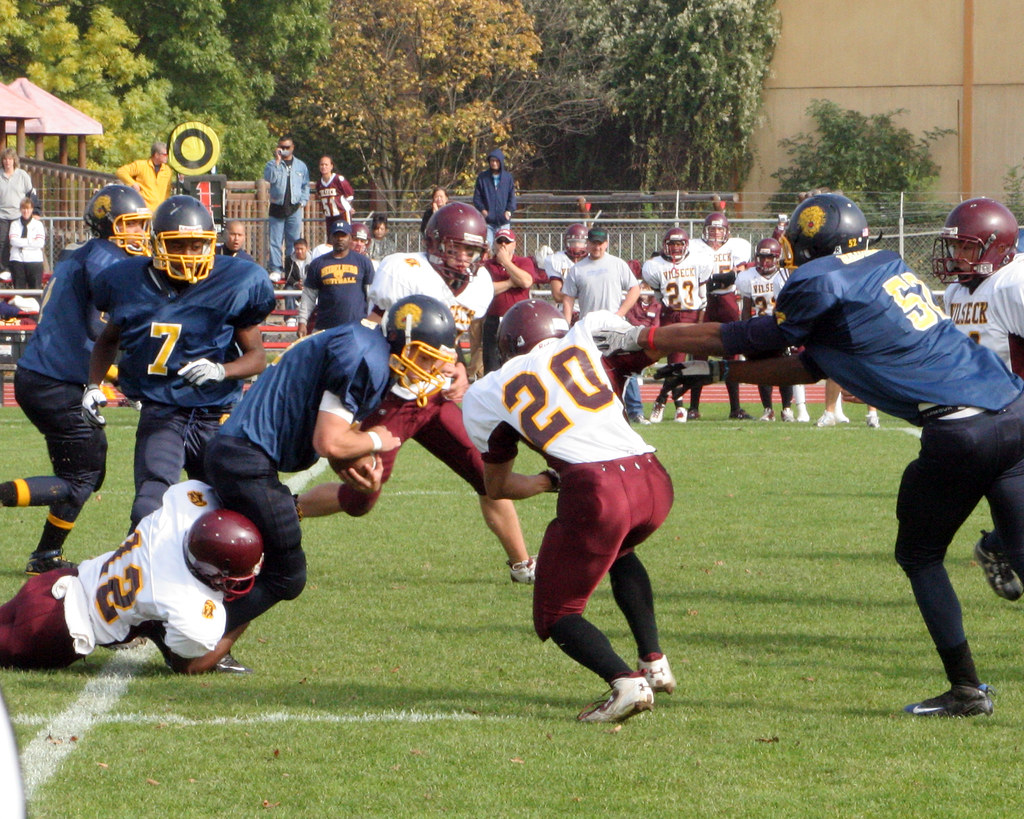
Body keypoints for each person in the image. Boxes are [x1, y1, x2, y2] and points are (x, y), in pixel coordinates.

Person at [595, 192, 1024, 718]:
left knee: (919, 555)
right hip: (1014, 412)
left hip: (958, 431)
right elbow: (811, 365)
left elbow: (743, 334)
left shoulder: (820, 281)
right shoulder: (881, 266)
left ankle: (966, 689)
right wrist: (719, 375)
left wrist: (643, 336)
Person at [203, 296, 451, 669]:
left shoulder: (365, 343)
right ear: (404, 341)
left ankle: (203, 643)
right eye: (426, 356)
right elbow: (330, 441)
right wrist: (379, 440)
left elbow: (333, 435)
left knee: (242, 560)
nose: (430, 368)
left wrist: (358, 464)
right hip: (245, 460)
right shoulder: (365, 356)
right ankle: (197, 640)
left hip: (242, 455)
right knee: (287, 574)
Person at [298, 203, 535, 583]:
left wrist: (457, 367)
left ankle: (522, 564)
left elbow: (448, 339)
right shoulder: (404, 270)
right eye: (456, 248)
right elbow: (370, 332)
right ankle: (287, 510)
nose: (464, 259)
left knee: (488, 474)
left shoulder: (480, 285)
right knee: (362, 498)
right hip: (392, 397)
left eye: (472, 251)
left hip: (435, 398)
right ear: (435, 243)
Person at [463, 300, 674, 722]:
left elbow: (498, 486)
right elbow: (646, 348)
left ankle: (625, 683)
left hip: (599, 491)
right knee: (622, 553)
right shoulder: (587, 348)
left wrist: (546, 481)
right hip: (653, 479)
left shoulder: (490, 389)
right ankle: (654, 661)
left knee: (557, 613)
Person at [85, 195, 275, 530]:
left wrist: (222, 370)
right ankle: (139, 570)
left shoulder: (235, 280)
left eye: (196, 245)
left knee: (236, 505)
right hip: (161, 410)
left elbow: (257, 357)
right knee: (149, 502)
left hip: (217, 415)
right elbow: (107, 339)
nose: (188, 255)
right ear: (157, 244)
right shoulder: (128, 280)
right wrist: (92, 385)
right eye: (179, 245)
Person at [0, 185, 150, 574]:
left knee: (87, 473)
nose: (139, 232)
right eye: (132, 224)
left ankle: (46, 555)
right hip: (56, 382)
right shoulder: (107, 260)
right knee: (83, 477)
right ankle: (44, 555)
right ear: (108, 224)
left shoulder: (82, 253)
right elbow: (97, 326)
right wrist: (126, 371)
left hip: (47, 376)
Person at [0, 480, 264, 674]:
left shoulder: (181, 508)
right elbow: (189, 666)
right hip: (53, 629)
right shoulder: (187, 602)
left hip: (54, 583)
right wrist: (252, 610)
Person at [934, 197, 1024, 604]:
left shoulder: (1013, 283)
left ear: (998, 247)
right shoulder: (956, 291)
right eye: (956, 247)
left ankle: (996, 545)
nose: (958, 257)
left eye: (969, 247)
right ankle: (1000, 545)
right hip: (991, 424)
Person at [642, 227, 714, 423]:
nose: (675, 248)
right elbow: (658, 297)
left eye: (679, 244)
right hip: (670, 314)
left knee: (680, 363)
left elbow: (702, 296)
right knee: (674, 363)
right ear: (665, 246)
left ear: (686, 245)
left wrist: (699, 319)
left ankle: (663, 400)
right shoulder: (655, 266)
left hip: (691, 314)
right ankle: (678, 407)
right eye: (672, 244)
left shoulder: (698, 261)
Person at [688, 211, 753, 420]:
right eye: (712, 229)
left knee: (732, 354)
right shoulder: (695, 247)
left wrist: (722, 277)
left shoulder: (737, 246)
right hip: (706, 301)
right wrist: (721, 277)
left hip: (728, 301)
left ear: (727, 231)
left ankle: (735, 408)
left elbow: (741, 270)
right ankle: (693, 408)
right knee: (698, 354)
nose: (716, 233)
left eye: (719, 229)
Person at [736, 237, 795, 421]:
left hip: (779, 326)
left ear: (777, 258)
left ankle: (786, 408)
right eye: (761, 258)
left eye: (769, 258)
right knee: (763, 369)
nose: (765, 262)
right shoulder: (748, 277)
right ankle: (768, 409)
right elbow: (746, 308)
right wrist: (744, 331)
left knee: (784, 369)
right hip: (759, 326)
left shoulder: (784, 275)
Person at [480, 227, 545, 373]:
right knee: (492, 365)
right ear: (494, 244)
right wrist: (510, 283)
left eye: (507, 242)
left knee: (519, 364)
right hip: (494, 320)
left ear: (514, 244)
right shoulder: (487, 266)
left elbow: (526, 281)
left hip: (519, 319)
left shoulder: (524, 262)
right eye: (500, 241)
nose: (503, 244)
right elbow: (486, 289)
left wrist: (506, 263)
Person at [296, 220, 375, 338]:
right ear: (331, 238)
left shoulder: (363, 262)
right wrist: (302, 321)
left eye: (343, 235)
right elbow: (308, 296)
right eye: (336, 235)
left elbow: (371, 295)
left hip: (356, 328)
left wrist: (371, 323)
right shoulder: (318, 263)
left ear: (350, 238)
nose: (340, 239)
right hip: (325, 327)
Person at [562, 227, 639, 325]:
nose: (597, 247)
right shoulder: (576, 269)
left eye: (600, 244)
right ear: (587, 243)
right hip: (587, 326)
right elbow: (568, 299)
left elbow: (635, 289)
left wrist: (619, 314)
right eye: (594, 243)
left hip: (614, 325)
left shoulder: (618, 264)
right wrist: (566, 326)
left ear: (606, 243)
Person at [263, 135, 310, 280]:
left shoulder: (301, 166)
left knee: (293, 240)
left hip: (294, 207)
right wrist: (277, 162)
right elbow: (270, 178)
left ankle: (291, 268)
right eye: (281, 147)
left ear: (292, 148)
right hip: (277, 206)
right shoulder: (272, 164)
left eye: (287, 147)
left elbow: (305, 185)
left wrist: (303, 201)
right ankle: (276, 269)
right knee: (275, 241)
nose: (284, 150)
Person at [623, 279, 660, 424]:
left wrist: (646, 334)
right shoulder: (633, 303)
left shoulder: (656, 305)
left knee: (630, 373)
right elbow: (631, 318)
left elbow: (656, 323)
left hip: (648, 339)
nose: (643, 290)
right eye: (642, 286)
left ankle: (635, 411)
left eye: (646, 286)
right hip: (633, 338)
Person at [0, 148, 36, 276]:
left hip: (19, 215)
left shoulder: (22, 175)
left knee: (20, 242)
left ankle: (20, 269)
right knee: (2, 242)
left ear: (14, 160)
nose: (7, 162)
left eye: (10, 159)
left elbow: (32, 194)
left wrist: (35, 211)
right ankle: (4, 270)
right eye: (5, 159)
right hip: (2, 215)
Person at [472, 148, 516, 244]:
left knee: (503, 250)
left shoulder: (507, 178)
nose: (494, 163)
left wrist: (508, 212)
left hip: (503, 222)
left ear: (501, 162)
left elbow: (512, 197)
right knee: (487, 249)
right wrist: (483, 211)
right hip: (488, 222)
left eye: (496, 161)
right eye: (492, 160)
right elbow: (477, 198)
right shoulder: (482, 178)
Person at [115, 141, 174, 212]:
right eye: (165, 154)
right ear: (156, 155)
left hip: (159, 211)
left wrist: (165, 207)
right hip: (143, 208)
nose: (167, 157)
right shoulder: (141, 165)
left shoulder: (167, 170)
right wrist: (132, 183)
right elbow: (121, 171)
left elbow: (167, 191)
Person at [543, 223, 588, 313]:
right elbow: (558, 296)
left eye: (580, 243)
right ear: (566, 242)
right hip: (567, 309)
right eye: (573, 242)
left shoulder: (593, 260)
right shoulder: (556, 260)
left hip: (591, 310)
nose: (577, 246)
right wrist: (586, 294)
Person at [7, 197, 44, 291]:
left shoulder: (38, 224)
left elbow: (40, 243)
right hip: (17, 260)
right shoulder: (15, 224)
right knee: (19, 291)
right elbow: (13, 241)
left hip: (34, 261)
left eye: (28, 208)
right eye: (23, 208)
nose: (26, 211)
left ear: (32, 209)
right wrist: (30, 241)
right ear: (20, 209)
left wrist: (22, 242)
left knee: (35, 291)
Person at [315, 155, 355, 235]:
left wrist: (348, 207)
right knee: (331, 240)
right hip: (329, 216)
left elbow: (350, 195)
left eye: (326, 165)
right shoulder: (319, 183)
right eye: (321, 165)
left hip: (341, 214)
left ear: (331, 166)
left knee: (345, 236)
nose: (324, 167)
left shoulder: (338, 179)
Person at [281, 236, 310, 314]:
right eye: (297, 249)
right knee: (288, 291)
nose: (299, 251)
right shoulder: (289, 260)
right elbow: (288, 276)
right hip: (294, 285)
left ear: (307, 248)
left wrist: (305, 283)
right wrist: (297, 284)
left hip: (309, 285)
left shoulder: (313, 260)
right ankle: (291, 317)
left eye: (301, 249)